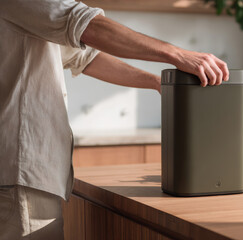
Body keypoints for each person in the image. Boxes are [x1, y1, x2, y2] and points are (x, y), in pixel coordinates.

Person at [0, 0, 229, 239]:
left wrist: (157, 83)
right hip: (18, 172)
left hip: (21, 175)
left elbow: (85, 58)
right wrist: (178, 54)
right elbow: (88, 26)